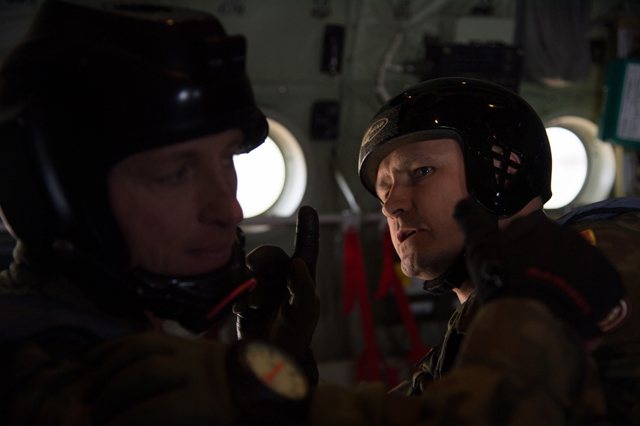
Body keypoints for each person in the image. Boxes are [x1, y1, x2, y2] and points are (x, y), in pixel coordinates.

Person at [0, 1, 323, 425]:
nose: (230, 209)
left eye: (228, 159)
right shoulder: (51, 380)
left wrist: (272, 368)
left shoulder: (112, 332)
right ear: (54, 199)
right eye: (176, 174)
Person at [357, 77, 640, 424]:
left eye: (421, 171)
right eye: (384, 189)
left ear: (502, 172)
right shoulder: (474, 323)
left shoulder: (598, 264)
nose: (391, 205)